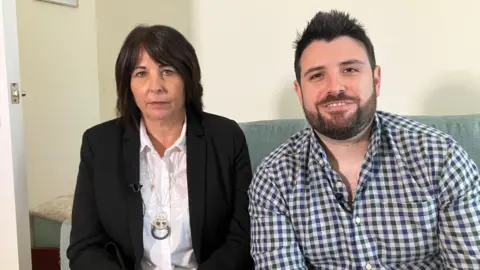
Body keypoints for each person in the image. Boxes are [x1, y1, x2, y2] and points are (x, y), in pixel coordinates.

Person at [248, 10, 480, 269]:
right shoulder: (273, 179)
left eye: (349, 69)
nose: (335, 87)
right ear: (299, 92)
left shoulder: (441, 157)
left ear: (376, 79)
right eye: (317, 75)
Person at [67, 25, 253, 270]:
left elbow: (242, 239)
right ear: (127, 84)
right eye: (141, 73)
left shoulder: (226, 138)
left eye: (167, 71)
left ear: (188, 78)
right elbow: (84, 247)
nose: (156, 86)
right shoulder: (99, 145)